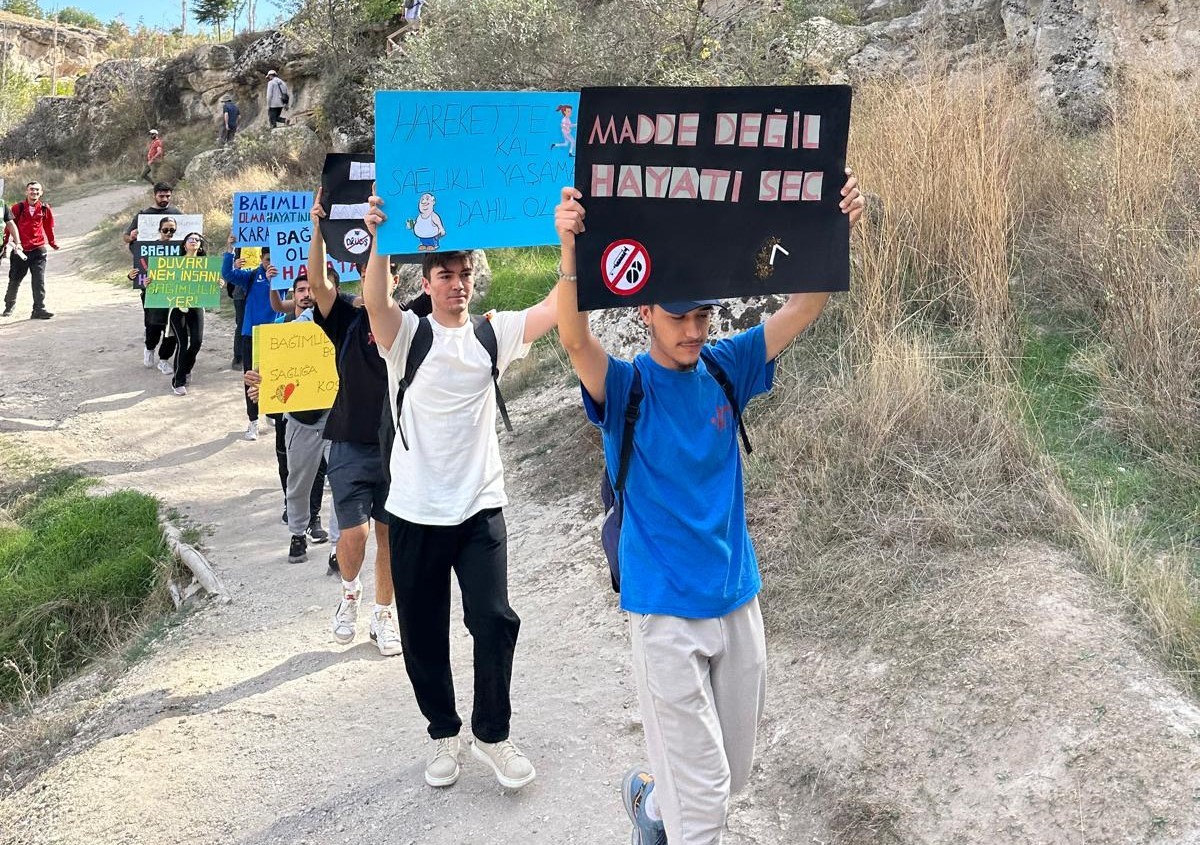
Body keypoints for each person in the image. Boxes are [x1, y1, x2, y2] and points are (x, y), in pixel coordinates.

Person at [552, 173, 864, 845]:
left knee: (731, 770)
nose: (694, 329)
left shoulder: (729, 366)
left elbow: (807, 304)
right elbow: (575, 339)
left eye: (703, 315)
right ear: (645, 313)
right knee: (707, 812)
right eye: (678, 317)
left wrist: (836, 225)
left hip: (736, 595)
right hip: (664, 608)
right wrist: (569, 250)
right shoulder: (628, 388)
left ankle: (655, 806)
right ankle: (676, 815)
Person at [361, 193, 559, 790]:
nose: (458, 285)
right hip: (416, 512)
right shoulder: (408, 336)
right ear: (427, 281)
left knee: (494, 620)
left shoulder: (492, 336)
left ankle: (493, 737)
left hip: (479, 507)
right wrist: (375, 237)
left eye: (465, 274)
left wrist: (569, 238)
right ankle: (444, 734)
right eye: (446, 275)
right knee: (423, 633)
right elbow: (374, 301)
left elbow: (557, 305)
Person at [309, 190, 429, 655]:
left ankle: (384, 617)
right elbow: (318, 283)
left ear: (394, 277)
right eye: (363, 269)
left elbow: (446, 296)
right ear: (358, 275)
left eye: (381, 269)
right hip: (349, 445)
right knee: (354, 534)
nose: (371, 277)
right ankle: (350, 595)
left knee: (390, 536)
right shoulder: (344, 320)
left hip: (398, 448)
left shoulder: (412, 319)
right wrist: (317, 226)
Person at [221, 233, 280, 441]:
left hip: (276, 335)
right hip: (251, 334)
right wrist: (229, 250)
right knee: (251, 377)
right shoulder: (252, 275)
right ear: (262, 259)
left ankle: (272, 413)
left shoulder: (287, 276)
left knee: (274, 374)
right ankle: (253, 421)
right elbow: (227, 273)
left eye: (274, 259)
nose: (270, 264)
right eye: (267, 260)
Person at [123, 183, 182, 369]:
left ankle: (164, 359)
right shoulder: (143, 215)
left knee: (173, 324)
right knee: (154, 322)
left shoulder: (177, 214)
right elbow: (127, 238)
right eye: (161, 196)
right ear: (154, 195)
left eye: (168, 196)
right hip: (150, 281)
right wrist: (131, 236)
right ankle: (149, 348)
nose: (165, 199)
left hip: (175, 283)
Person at [2, 181, 57, 320]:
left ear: (41, 192)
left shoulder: (45, 209)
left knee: (39, 280)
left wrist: (52, 242)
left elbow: (48, 227)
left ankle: (39, 308)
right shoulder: (17, 208)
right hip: (20, 250)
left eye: (37, 190)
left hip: (38, 249)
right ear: (26, 192)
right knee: (15, 280)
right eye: (31, 190)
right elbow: (9, 226)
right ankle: (9, 305)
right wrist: (4, 245)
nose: (34, 192)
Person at [165, 233, 207, 396]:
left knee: (196, 342)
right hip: (177, 307)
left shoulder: (206, 265)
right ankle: (178, 381)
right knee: (182, 343)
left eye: (197, 240)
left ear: (200, 245)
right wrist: (151, 282)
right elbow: (163, 281)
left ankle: (185, 368)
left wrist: (218, 283)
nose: (194, 241)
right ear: (184, 244)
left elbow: (210, 285)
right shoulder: (174, 263)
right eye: (191, 239)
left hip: (196, 306)